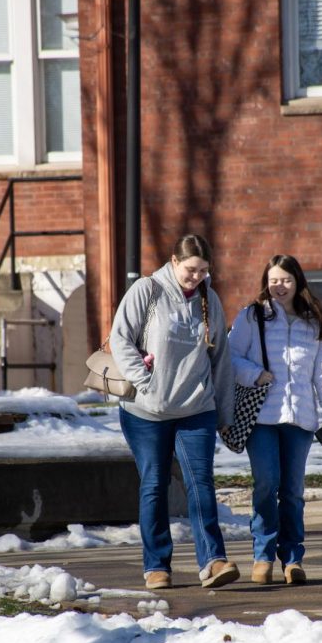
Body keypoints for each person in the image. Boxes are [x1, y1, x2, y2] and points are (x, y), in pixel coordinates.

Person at [110, 234, 239, 590]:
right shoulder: (147, 291)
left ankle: (212, 561)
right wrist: (145, 381)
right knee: (154, 485)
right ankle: (156, 566)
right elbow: (120, 338)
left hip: (196, 408)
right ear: (173, 261)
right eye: (190, 269)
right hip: (146, 412)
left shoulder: (208, 300)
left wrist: (225, 415)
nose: (196, 277)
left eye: (203, 271)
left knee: (202, 485)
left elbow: (221, 361)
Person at [228, 254, 322, 585]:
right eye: (274, 279)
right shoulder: (253, 317)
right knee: (266, 484)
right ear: (266, 281)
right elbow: (230, 356)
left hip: (301, 421)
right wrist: (255, 374)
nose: (280, 286)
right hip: (262, 418)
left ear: (298, 283)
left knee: (292, 491)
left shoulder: (314, 323)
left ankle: (292, 559)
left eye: (287, 280)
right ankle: (262, 555)